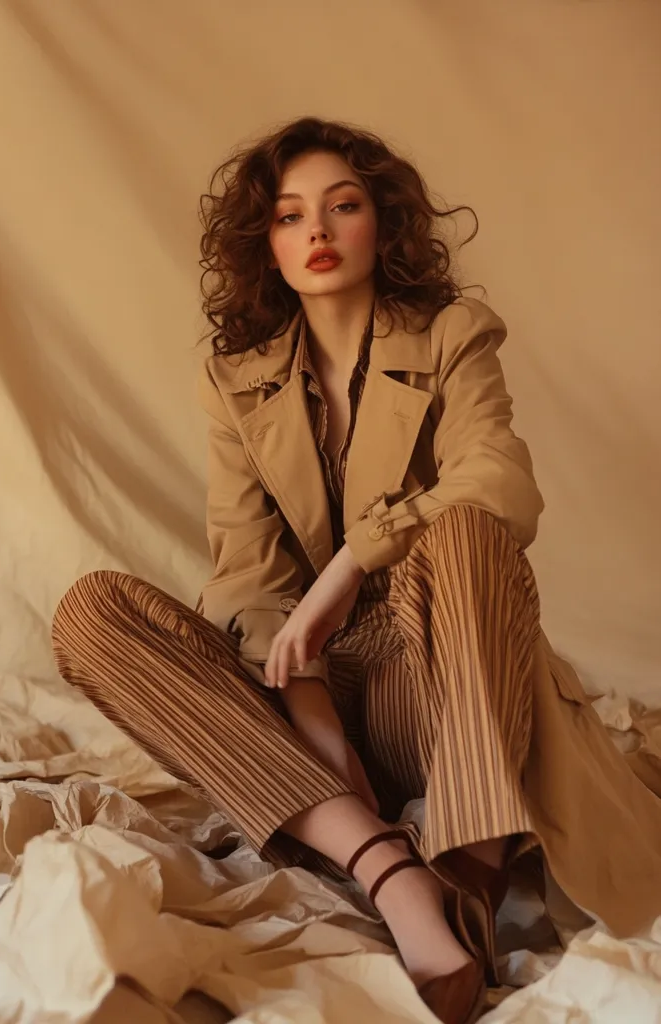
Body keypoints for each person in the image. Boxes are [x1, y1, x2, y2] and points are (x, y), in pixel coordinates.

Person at [52, 117, 661, 1024]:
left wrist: (349, 566)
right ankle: (389, 870)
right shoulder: (236, 379)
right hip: (311, 705)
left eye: (343, 206)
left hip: (437, 681)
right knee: (90, 612)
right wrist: (316, 723)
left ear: (385, 223)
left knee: (467, 529)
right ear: (267, 241)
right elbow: (248, 579)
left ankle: (470, 875)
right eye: (292, 216)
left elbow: (500, 482)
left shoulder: (454, 333)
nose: (319, 233)